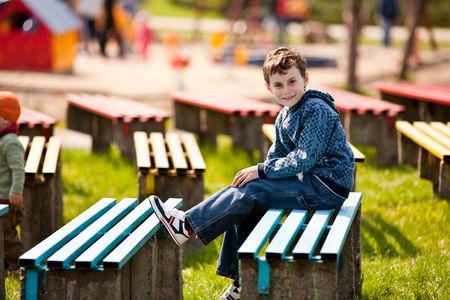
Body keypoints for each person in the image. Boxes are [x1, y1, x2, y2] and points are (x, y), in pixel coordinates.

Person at [149, 47, 355, 300]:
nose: (287, 90)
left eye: (292, 81)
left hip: (328, 186)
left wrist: (260, 172)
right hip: (310, 182)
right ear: (269, 88)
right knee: (243, 199)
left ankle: (187, 225)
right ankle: (242, 283)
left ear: (305, 79)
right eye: (278, 85)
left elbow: (305, 158)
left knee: (252, 191)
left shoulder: (316, 110)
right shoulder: (284, 115)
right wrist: (259, 174)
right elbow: (278, 156)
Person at [0, 91, 25, 272]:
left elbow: (18, 169)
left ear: (6, 120)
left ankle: (18, 266)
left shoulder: (10, 142)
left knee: (7, 235)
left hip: (6, 199)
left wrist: (16, 191)